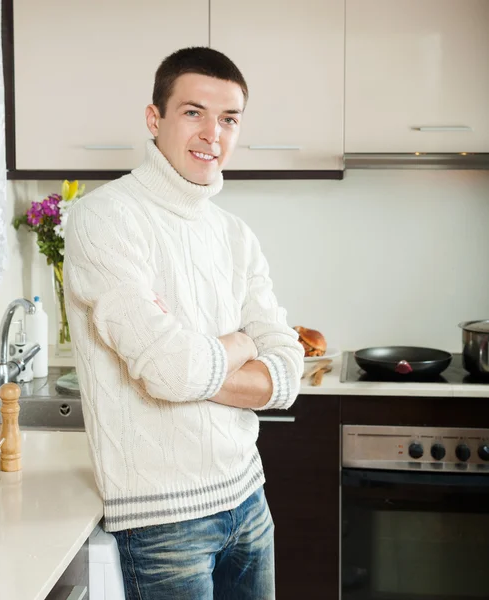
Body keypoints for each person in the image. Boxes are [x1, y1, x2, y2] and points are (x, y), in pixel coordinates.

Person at [64, 46, 304, 600]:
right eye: (194, 112)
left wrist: (195, 358)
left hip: (249, 498)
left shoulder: (235, 234)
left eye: (229, 119)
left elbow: (288, 374)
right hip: (163, 521)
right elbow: (170, 372)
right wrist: (244, 342)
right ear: (156, 118)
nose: (211, 135)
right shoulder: (105, 218)